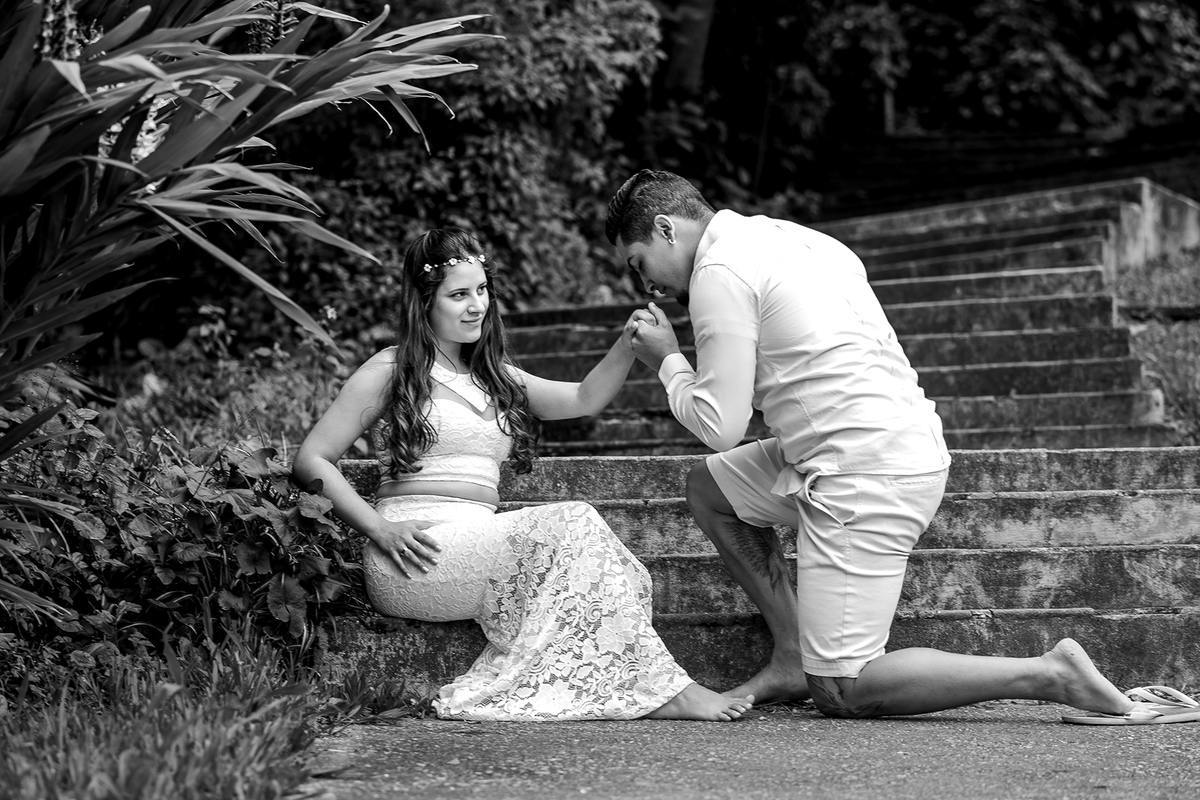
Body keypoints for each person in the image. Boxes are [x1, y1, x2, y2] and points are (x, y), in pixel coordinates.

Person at [603, 168, 1163, 724]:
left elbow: (720, 424)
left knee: (843, 689)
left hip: (864, 473)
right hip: (878, 444)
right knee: (710, 488)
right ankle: (795, 655)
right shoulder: (800, 239)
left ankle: (1049, 674)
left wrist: (669, 362)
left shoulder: (718, 271)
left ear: (666, 228)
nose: (648, 286)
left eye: (640, 263)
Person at [292, 228, 754, 722]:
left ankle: (653, 687)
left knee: (592, 548)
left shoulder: (497, 375)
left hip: (477, 541)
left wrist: (626, 345)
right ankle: (668, 690)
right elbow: (312, 458)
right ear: (424, 302)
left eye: (482, 290)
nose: (476, 306)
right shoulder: (393, 368)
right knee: (574, 521)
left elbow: (582, 399)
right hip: (414, 555)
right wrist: (378, 527)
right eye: (458, 295)